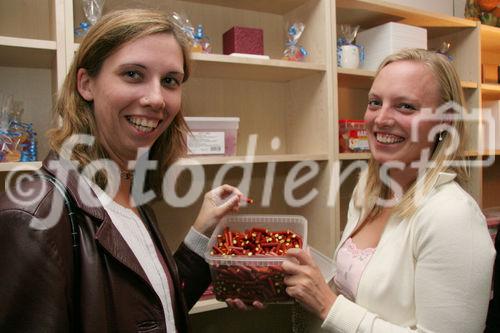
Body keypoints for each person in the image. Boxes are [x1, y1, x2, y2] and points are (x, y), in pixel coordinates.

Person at [0, 9, 243, 332]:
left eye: (170, 80)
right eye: (133, 74)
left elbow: (151, 311)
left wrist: (201, 233)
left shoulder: (129, 191)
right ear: (86, 84)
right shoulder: (33, 215)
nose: (156, 98)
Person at [282, 49, 496, 332]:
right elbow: (359, 294)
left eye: (405, 106)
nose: (381, 119)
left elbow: (337, 308)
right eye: (374, 102)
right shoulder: (367, 192)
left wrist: (326, 305)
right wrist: (292, 281)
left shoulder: (453, 216)